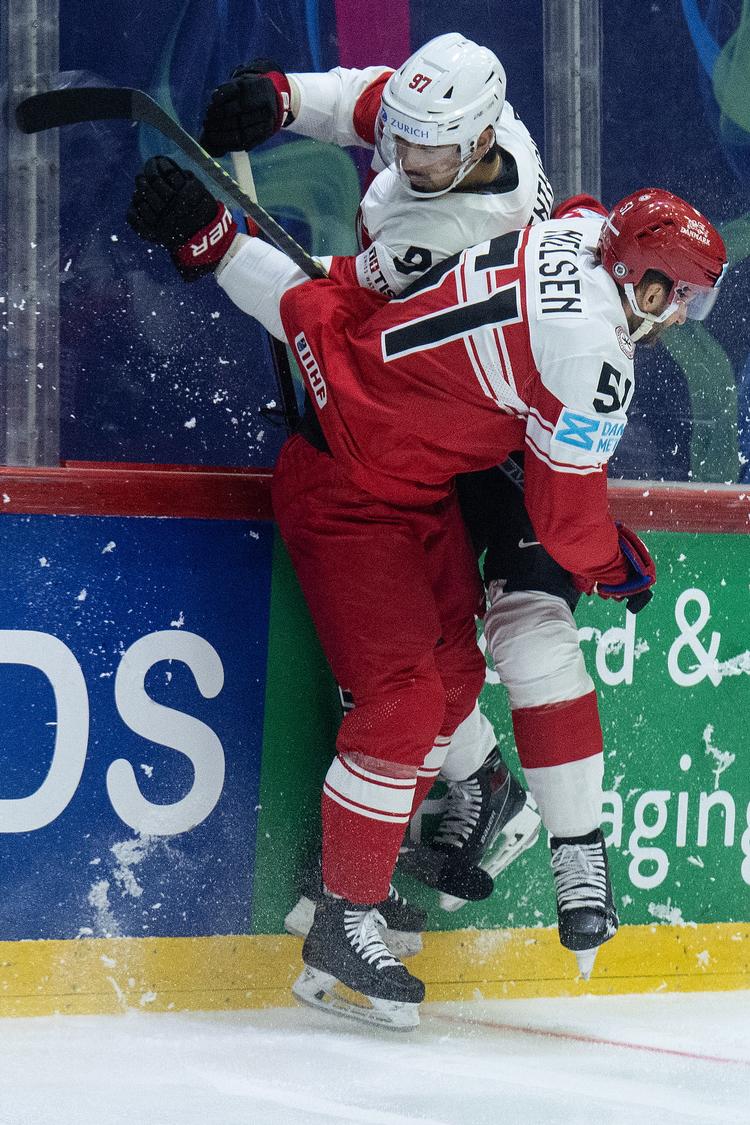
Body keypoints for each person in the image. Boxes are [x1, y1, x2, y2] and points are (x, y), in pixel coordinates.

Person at [126, 156, 727, 1026]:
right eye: (681, 298)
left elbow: (322, 300)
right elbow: (564, 521)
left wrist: (211, 239)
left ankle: (407, 847)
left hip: (395, 461)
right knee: (407, 698)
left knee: (451, 678)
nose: (679, 318)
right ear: (644, 280)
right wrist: (617, 563)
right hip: (352, 485)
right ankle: (343, 918)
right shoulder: (599, 356)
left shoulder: (570, 227)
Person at [198, 34, 552, 942]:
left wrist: (217, 245)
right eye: (406, 137)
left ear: (477, 141)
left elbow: (323, 311)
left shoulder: (448, 237)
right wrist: (283, 99)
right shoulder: (478, 126)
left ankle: (380, 861)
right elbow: (371, 100)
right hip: (439, 415)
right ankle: (478, 782)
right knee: (428, 669)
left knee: (411, 680)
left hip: (467, 428)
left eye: (429, 147)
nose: (405, 157)